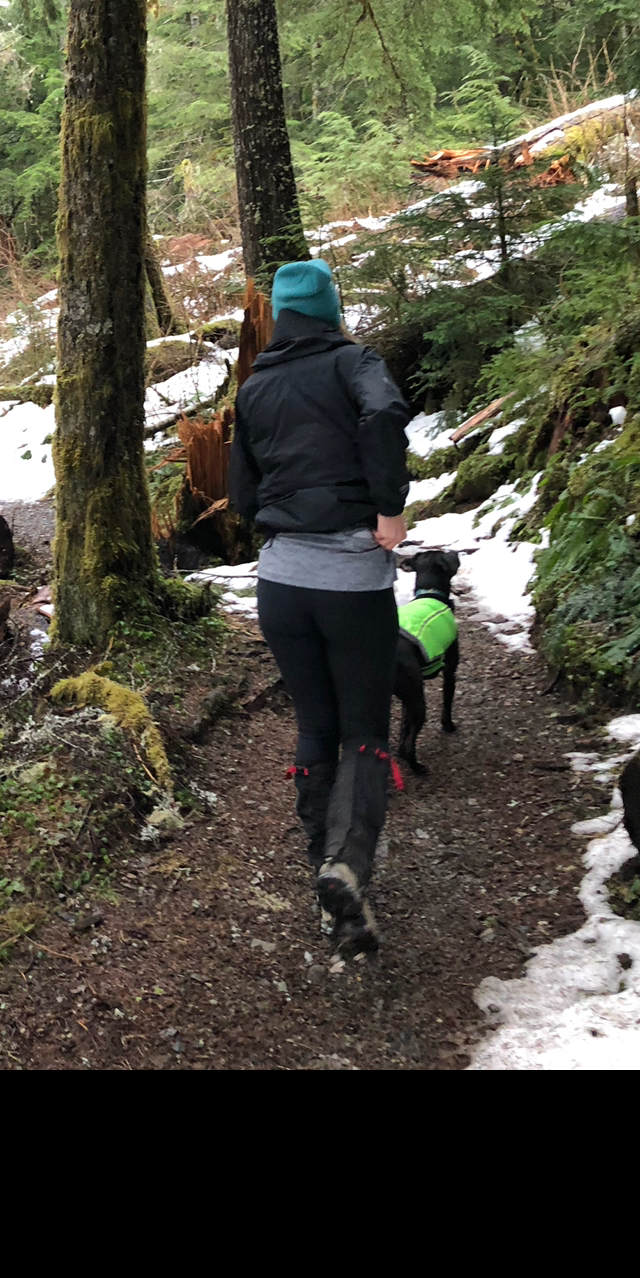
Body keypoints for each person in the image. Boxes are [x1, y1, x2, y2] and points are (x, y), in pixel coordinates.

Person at [228, 258, 410, 957]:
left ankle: (329, 886)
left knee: (314, 725)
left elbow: (242, 494)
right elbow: (387, 413)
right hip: (351, 585)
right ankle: (347, 867)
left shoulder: (257, 384)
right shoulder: (353, 363)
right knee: (363, 729)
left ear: (279, 313)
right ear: (330, 307)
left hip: (280, 586)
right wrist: (387, 508)